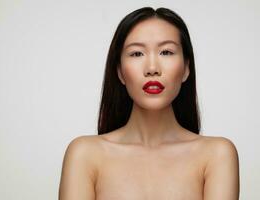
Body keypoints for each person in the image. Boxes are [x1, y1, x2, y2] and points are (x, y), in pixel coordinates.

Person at [58, 7, 240, 200]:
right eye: (137, 54)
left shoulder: (216, 155)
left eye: (166, 52)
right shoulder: (85, 154)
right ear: (120, 71)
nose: (152, 68)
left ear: (186, 68)